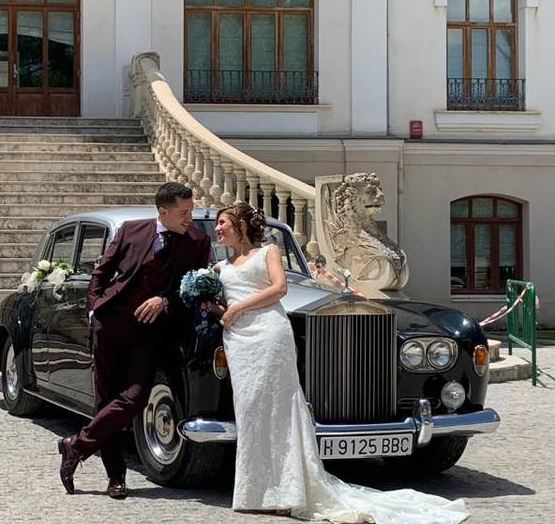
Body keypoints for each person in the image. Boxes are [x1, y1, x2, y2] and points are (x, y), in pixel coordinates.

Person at [207, 202, 469, 523]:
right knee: (250, 410)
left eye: (222, 223)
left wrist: (238, 308)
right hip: (239, 341)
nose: (217, 229)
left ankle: (289, 492)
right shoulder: (222, 267)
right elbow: (225, 306)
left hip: (269, 333)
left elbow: (280, 287)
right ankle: (256, 490)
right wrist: (215, 307)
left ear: (241, 225)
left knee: (281, 409)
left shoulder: (269, 252)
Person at [57, 182, 212, 499]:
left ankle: (75, 445)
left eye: (191, 210)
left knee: (135, 396)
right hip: (110, 325)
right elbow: (102, 271)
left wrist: (164, 301)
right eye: (184, 212)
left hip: (150, 333)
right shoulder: (131, 230)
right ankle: (116, 478)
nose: (189, 217)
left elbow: (191, 292)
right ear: (163, 211)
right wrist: (94, 309)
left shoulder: (197, 242)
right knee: (106, 399)